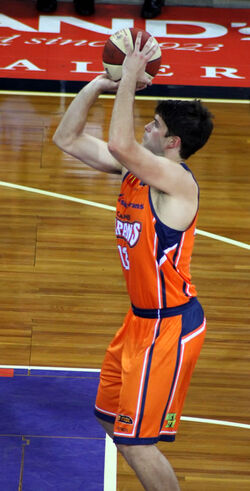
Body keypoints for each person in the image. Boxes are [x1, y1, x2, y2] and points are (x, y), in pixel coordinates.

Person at [53, 33, 213, 491]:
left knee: (138, 442)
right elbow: (67, 138)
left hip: (170, 326)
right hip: (140, 321)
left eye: (155, 125)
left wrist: (129, 80)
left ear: (173, 142)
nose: (146, 127)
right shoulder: (136, 169)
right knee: (109, 418)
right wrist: (102, 83)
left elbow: (122, 143)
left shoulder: (176, 183)